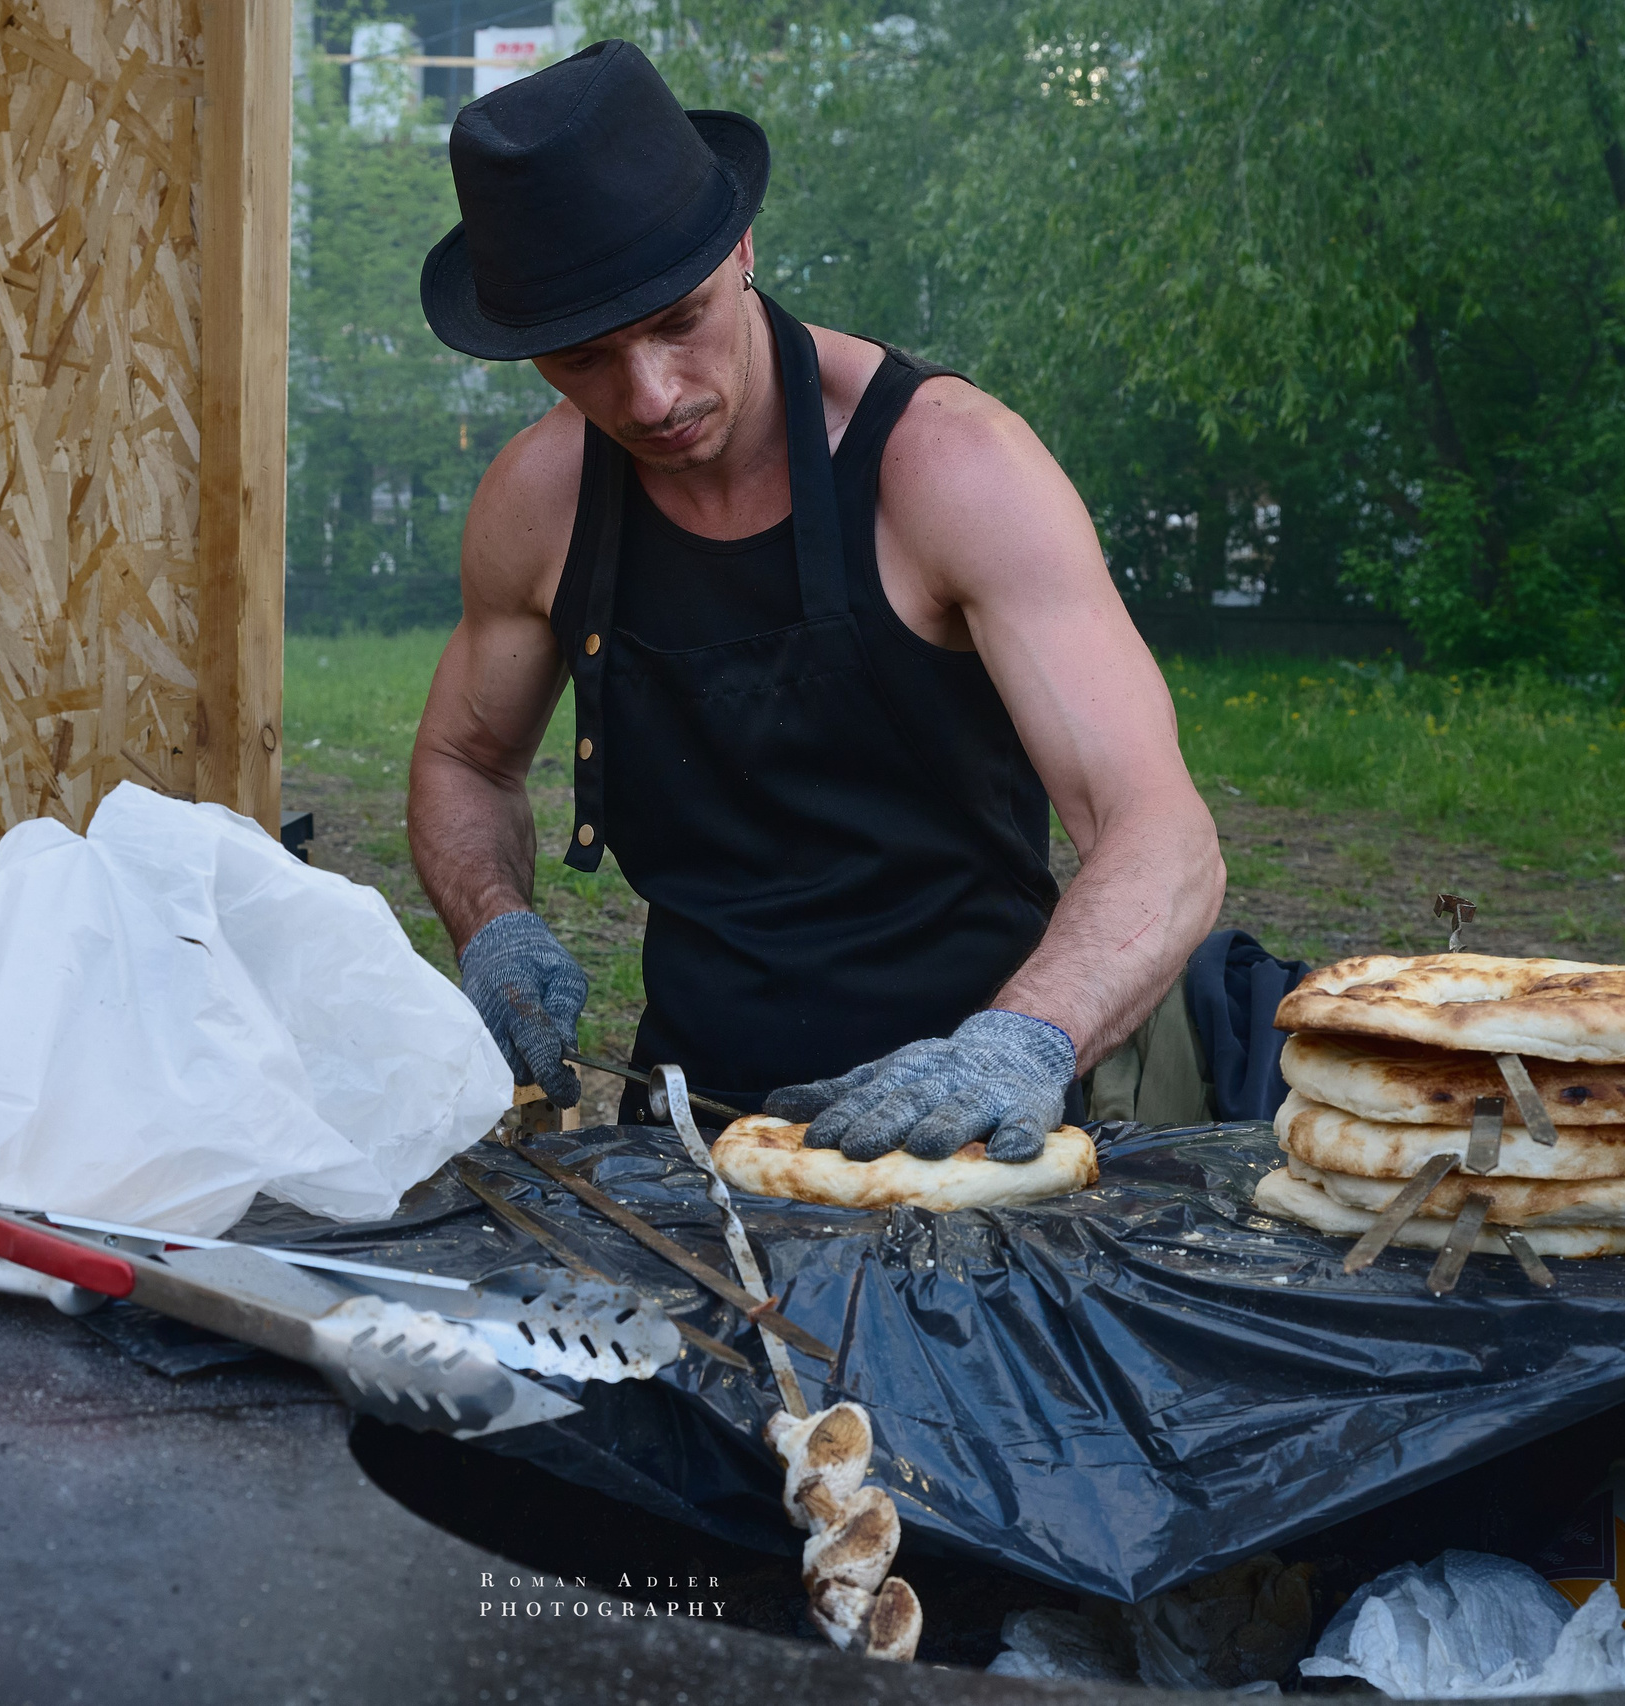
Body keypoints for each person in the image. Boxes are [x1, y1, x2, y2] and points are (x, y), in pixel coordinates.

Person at [407, 40, 1226, 1161]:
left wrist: (1024, 1040)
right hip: (694, 1125)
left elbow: (1164, 833)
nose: (650, 396)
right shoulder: (540, 498)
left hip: (986, 1123)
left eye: (677, 320)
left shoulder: (951, 468)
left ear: (740, 247)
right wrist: (490, 923)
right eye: (585, 356)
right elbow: (466, 759)